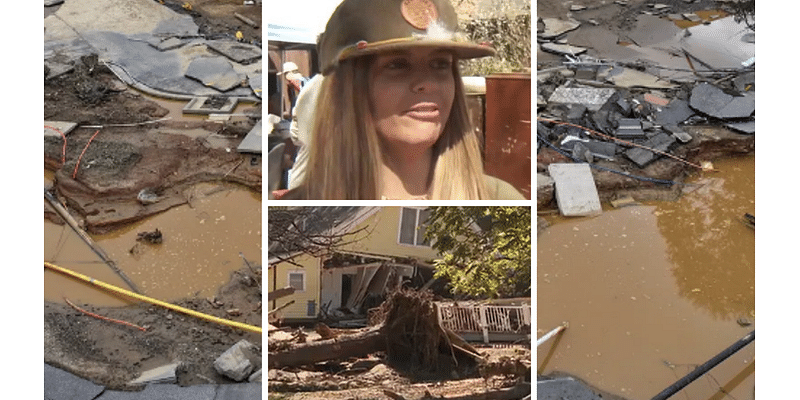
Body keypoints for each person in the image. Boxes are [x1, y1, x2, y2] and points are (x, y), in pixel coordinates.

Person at [279, 0, 525, 200]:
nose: (426, 83)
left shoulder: (499, 198)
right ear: (349, 89)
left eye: (440, 64)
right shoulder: (298, 207)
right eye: (398, 65)